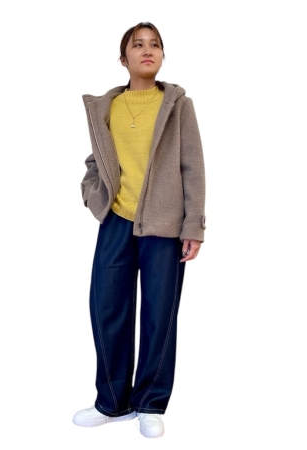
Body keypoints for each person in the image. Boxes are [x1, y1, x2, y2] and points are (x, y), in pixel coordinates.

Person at [73, 22, 207, 439]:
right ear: (123, 57)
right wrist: (93, 195)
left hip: (164, 223)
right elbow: (96, 162)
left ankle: (150, 402)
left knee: (159, 314)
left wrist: (193, 225)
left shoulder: (177, 105)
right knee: (106, 307)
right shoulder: (107, 107)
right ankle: (112, 401)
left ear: (162, 55)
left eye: (155, 45)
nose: (147, 50)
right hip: (116, 219)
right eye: (138, 44)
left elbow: (193, 166)